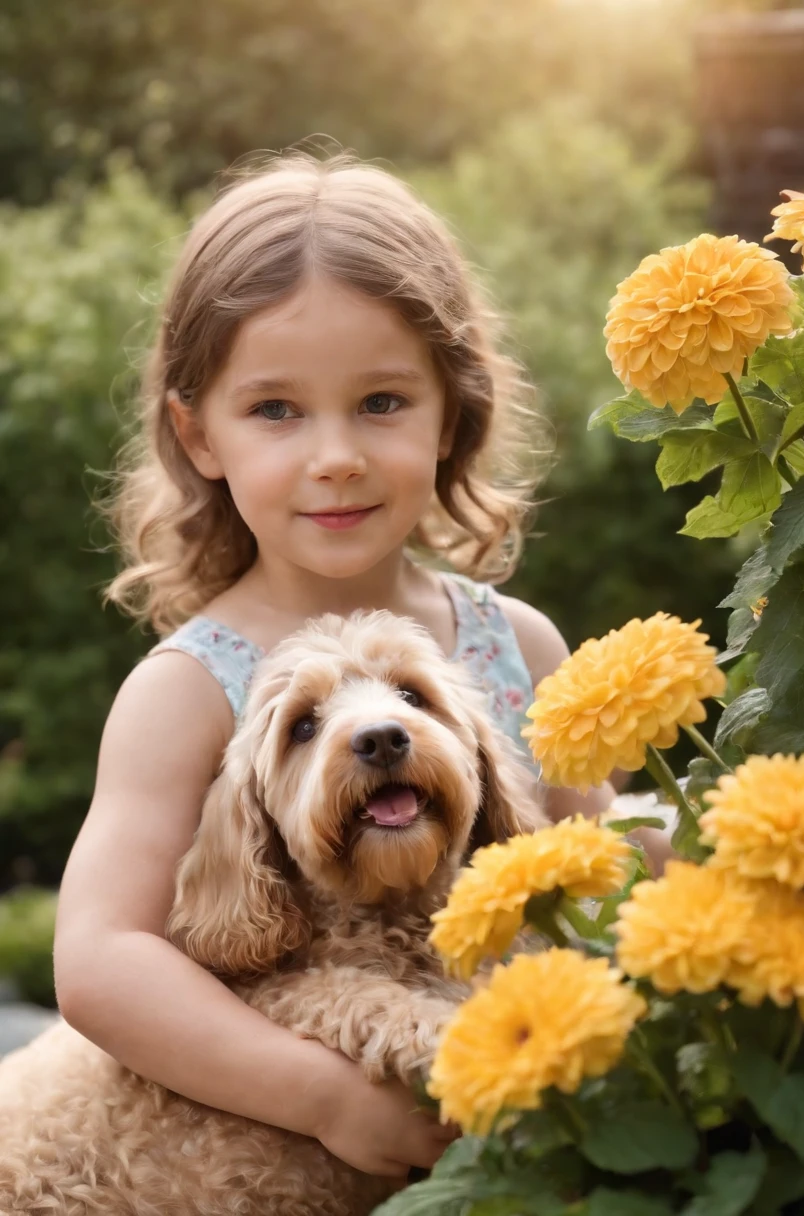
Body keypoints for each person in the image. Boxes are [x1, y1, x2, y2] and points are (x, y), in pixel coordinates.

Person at [53, 150, 619, 1182]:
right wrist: (325, 1096)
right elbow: (100, 961)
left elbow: (605, 886)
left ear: (453, 408)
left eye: (381, 402)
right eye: (276, 410)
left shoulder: (516, 645)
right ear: (200, 433)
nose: (335, 455)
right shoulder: (185, 689)